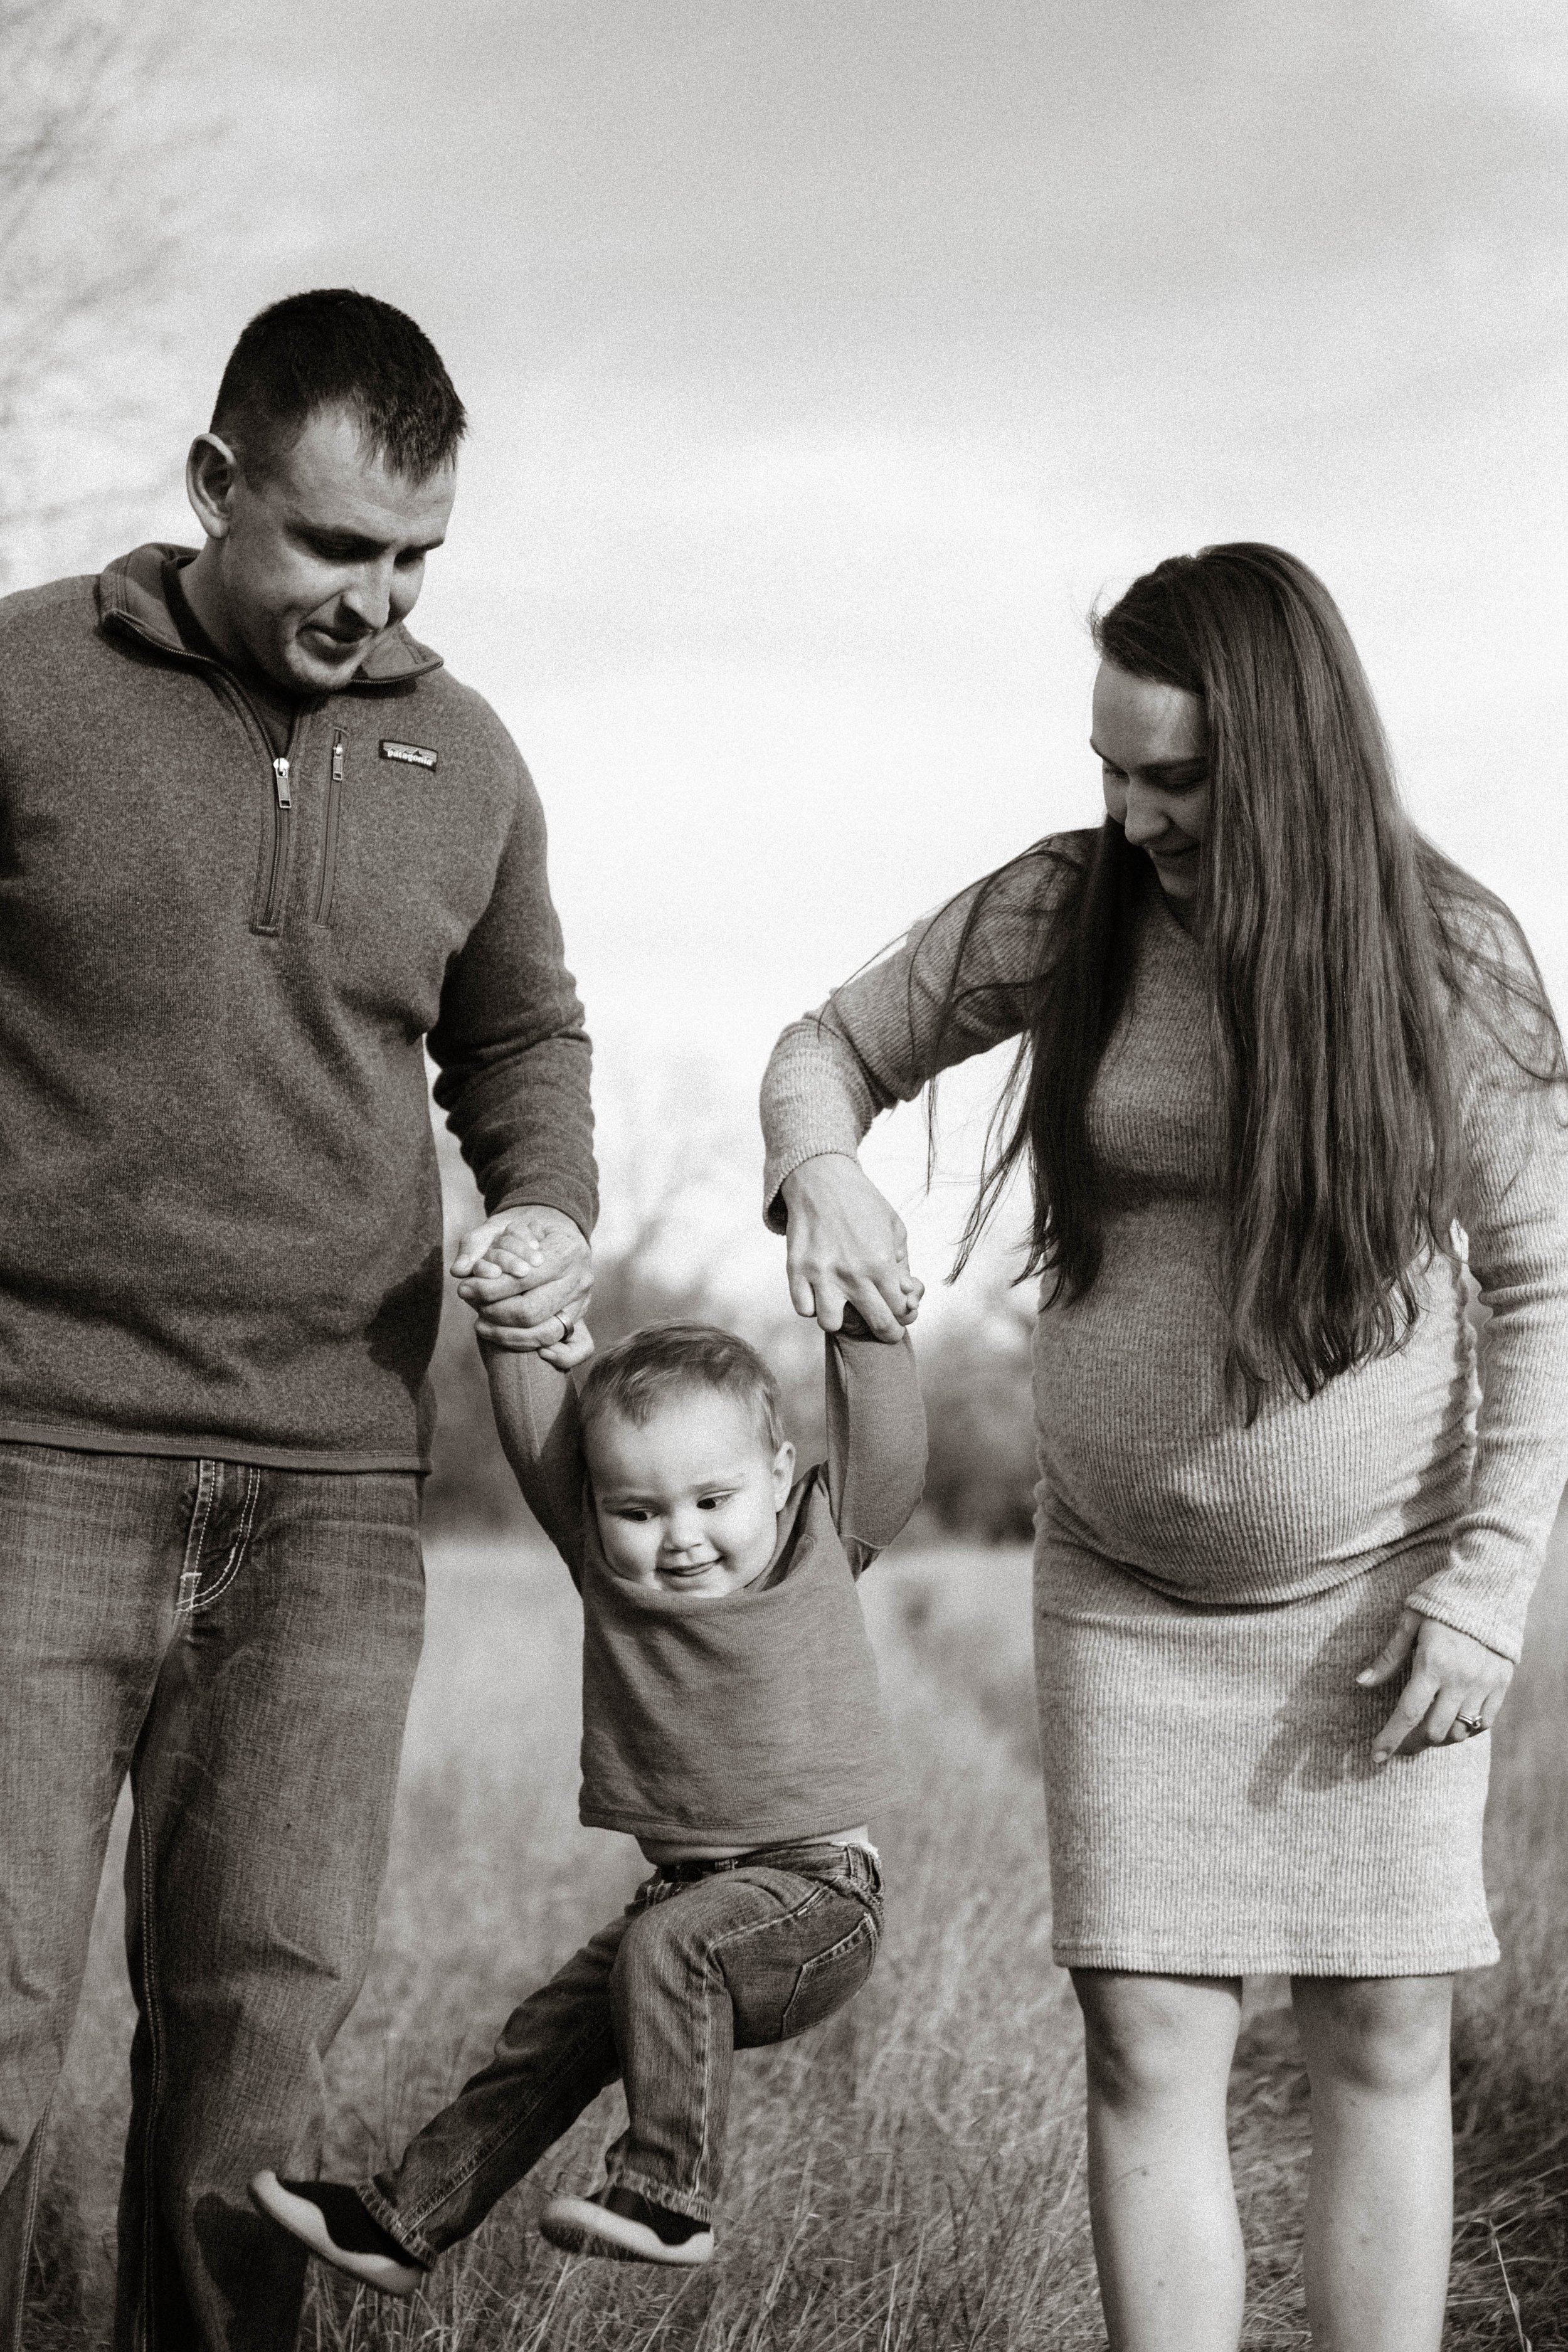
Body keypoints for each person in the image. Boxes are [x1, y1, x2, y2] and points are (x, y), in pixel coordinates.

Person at [759, 543, 1568, 2352]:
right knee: (1146, 2037)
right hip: (1121, 1588)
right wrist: (817, 1162)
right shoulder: (1070, 905)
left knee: (1376, 2031)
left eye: (1175, 777)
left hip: (1379, 1592)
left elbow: (1543, 1283)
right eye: (1109, 767)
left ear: (1284, 755)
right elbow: (826, 1043)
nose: (1129, 813)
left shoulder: (1447, 955)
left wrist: (1486, 1583)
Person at [0, 289, 597, 2351]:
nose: (382, 595)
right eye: (339, 544)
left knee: (251, 2083)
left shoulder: (471, 753)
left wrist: (548, 1209)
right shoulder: (25, 683)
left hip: (333, 1499)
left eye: (419, 553)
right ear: (212, 487)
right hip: (30, 1461)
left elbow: (521, 1039)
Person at [249, 1301, 926, 2291]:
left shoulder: (818, 1545)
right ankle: (404, 2223)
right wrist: (516, 1325)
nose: (680, 1536)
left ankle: (668, 2196)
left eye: (712, 1498)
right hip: (684, 1900)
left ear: (780, 1477)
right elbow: (541, 1448)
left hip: (818, 1900)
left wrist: (865, 1315)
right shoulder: (616, 1580)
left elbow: (893, 1449)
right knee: (545, 2040)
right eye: (639, 1510)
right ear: (599, 1510)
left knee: (672, 1944)